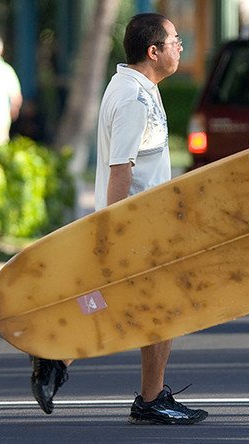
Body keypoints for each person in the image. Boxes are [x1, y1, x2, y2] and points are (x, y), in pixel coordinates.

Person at [29, 13, 208, 426]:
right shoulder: (132, 98)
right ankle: (64, 354)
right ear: (153, 51)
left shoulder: (141, 87)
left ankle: (136, 390)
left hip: (149, 227)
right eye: (175, 40)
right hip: (137, 230)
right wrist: (111, 232)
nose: (180, 46)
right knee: (149, 309)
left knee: (133, 306)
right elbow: (120, 169)